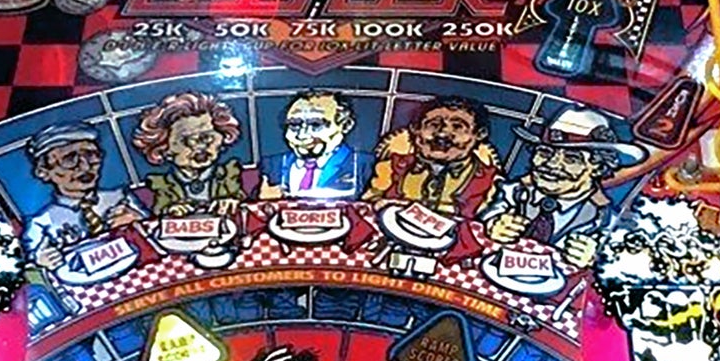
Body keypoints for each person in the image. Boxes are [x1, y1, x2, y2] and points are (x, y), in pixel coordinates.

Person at [481, 105, 636, 270]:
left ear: (597, 168)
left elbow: (620, 266)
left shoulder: (605, 220)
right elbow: (486, 215)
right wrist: (492, 224)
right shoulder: (513, 192)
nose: (552, 164)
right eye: (545, 152)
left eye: (571, 159)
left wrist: (597, 259)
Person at [366, 95, 500, 219]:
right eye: (433, 125)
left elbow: (495, 221)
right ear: (415, 129)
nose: (442, 134)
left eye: (457, 127)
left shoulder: (493, 182)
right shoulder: (390, 168)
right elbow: (365, 208)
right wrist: (380, 206)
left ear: (479, 134)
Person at [23, 125, 138, 269]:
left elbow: (156, 233)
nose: (85, 167)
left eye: (91, 156)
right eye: (69, 160)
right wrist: (40, 262)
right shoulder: (41, 223)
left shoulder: (121, 198)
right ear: (43, 172)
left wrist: (138, 222)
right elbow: (31, 265)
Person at [130, 90, 253, 214]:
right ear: (163, 148)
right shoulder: (158, 186)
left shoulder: (231, 173)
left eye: (207, 137)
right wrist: (170, 211)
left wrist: (234, 202)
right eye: (186, 140)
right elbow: (155, 213)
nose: (200, 146)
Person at [259, 91, 362, 198]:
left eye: (316, 124)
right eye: (294, 125)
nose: (302, 135)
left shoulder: (363, 166)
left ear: (345, 125)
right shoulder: (271, 166)